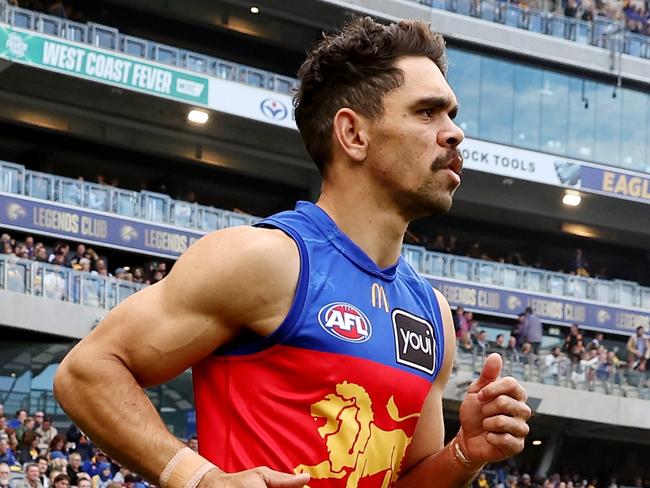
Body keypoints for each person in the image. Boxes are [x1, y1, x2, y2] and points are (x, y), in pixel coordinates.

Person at [54, 17, 531, 488]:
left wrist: (467, 452)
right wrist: (201, 480)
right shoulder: (266, 260)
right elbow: (86, 373)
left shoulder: (433, 317)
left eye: (451, 115)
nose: (453, 133)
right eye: (427, 112)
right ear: (354, 135)